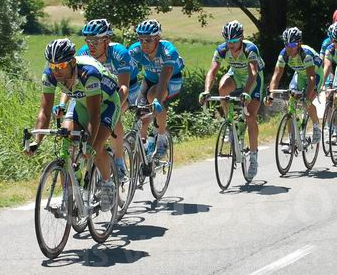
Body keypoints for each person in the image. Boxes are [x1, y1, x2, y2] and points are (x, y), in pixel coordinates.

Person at [27, 39, 121, 212]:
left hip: (106, 105)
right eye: (53, 66)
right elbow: (45, 111)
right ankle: (71, 191)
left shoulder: (88, 73)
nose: (57, 71)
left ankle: (108, 184)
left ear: (72, 62)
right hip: (80, 103)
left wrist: (89, 146)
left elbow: (95, 115)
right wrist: (36, 141)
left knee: (96, 147)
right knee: (67, 137)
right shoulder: (49, 74)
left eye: (61, 66)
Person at [199, 20, 264, 178]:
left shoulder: (250, 49)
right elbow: (212, 71)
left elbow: (253, 74)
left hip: (253, 80)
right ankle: (229, 123)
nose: (231, 45)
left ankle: (254, 156)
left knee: (250, 116)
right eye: (228, 41)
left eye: (234, 41)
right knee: (222, 88)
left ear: (241, 38)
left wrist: (246, 92)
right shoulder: (221, 50)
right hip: (235, 74)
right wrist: (207, 91)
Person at [77, 18, 138, 179]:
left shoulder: (119, 52)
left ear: (107, 40)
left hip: (127, 89)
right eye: (88, 40)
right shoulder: (83, 53)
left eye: (96, 41)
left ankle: (119, 161)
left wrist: (113, 108)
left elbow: (123, 86)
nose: (91, 45)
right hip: (101, 92)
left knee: (113, 119)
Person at [128, 19, 184, 159]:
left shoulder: (168, 51)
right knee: (141, 114)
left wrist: (158, 100)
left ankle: (161, 138)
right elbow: (126, 73)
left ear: (158, 39)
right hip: (150, 79)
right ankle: (145, 148)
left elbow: (164, 78)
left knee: (153, 95)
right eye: (141, 39)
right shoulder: (135, 50)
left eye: (148, 40)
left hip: (171, 79)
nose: (143, 44)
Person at [265, 27, 323, 144]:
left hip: (315, 75)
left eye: (292, 45)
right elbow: (276, 76)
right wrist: (270, 95)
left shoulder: (306, 54)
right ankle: (292, 138)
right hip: (300, 75)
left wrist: (306, 97)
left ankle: (316, 126)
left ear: (299, 44)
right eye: (286, 44)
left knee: (307, 103)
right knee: (290, 103)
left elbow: (311, 78)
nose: (289, 48)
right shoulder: (283, 55)